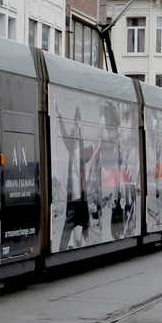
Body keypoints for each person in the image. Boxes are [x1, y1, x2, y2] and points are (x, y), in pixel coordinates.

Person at [54, 96, 98, 250]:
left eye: (79, 120)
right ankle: (61, 250)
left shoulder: (81, 144)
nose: (77, 123)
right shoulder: (72, 142)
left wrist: (94, 145)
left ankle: (85, 246)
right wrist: (59, 115)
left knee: (86, 224)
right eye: (75, 120)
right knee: (67, 227)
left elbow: (86, 157)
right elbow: (65, 134)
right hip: (73, 200)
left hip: (82, 199)